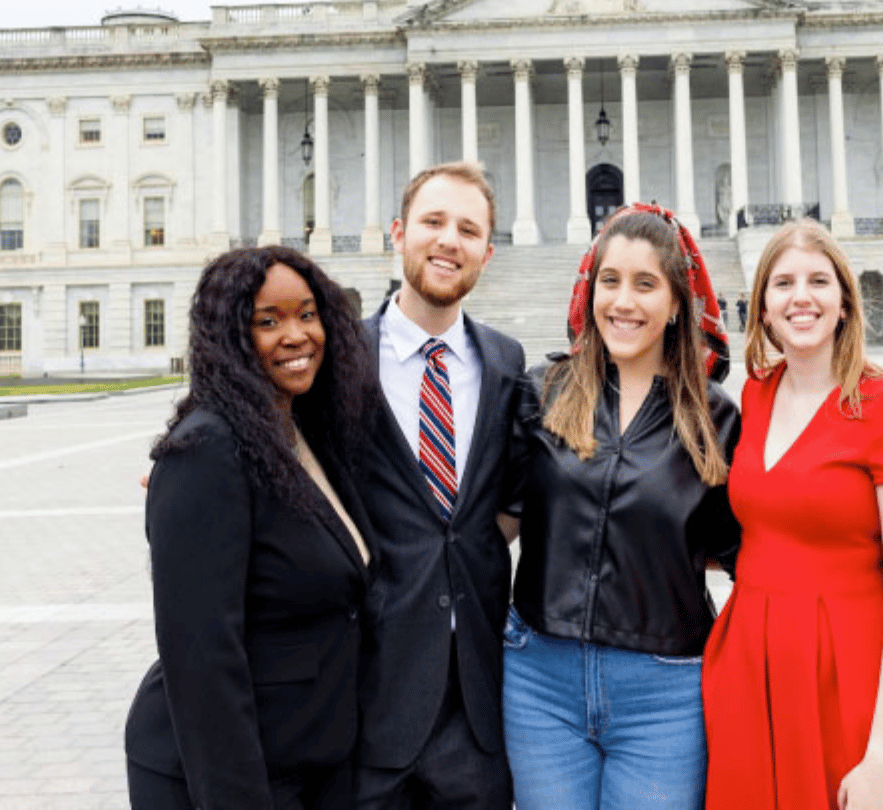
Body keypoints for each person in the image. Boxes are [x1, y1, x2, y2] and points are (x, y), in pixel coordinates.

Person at [502, 204, 740, 810]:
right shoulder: (543, 393)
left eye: (645, 284)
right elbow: (496, 521)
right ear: (591, 290)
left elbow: (739, 551)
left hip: (664, 689)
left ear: (676, 302)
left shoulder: (715, 419)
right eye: (610, 281)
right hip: (540, 679)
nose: (623, 302)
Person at [125, 246, 379, 810]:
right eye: (268, 321)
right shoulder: (207, 447)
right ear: (230, 337)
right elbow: (202, 657)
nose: (296, 335)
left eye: (308, 314)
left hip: (306, 760)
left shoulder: (304, 432)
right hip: (232, 775)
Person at [702, 219, 883, 810]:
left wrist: (881, 753)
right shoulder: (756, 394)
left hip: (849, 674)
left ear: (843, 303)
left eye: (818, 281)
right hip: (750, 669)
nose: (800, 297)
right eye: (783, 283)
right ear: (762, 307)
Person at [356, 162, 526, 810]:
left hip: (475, 711)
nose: (448, 239)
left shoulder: (507, 362)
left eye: (468, 228)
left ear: (488, 250)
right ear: (399, 233)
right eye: (433, 222)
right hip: (367, 700)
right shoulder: (340, 357)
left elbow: (513, 494)